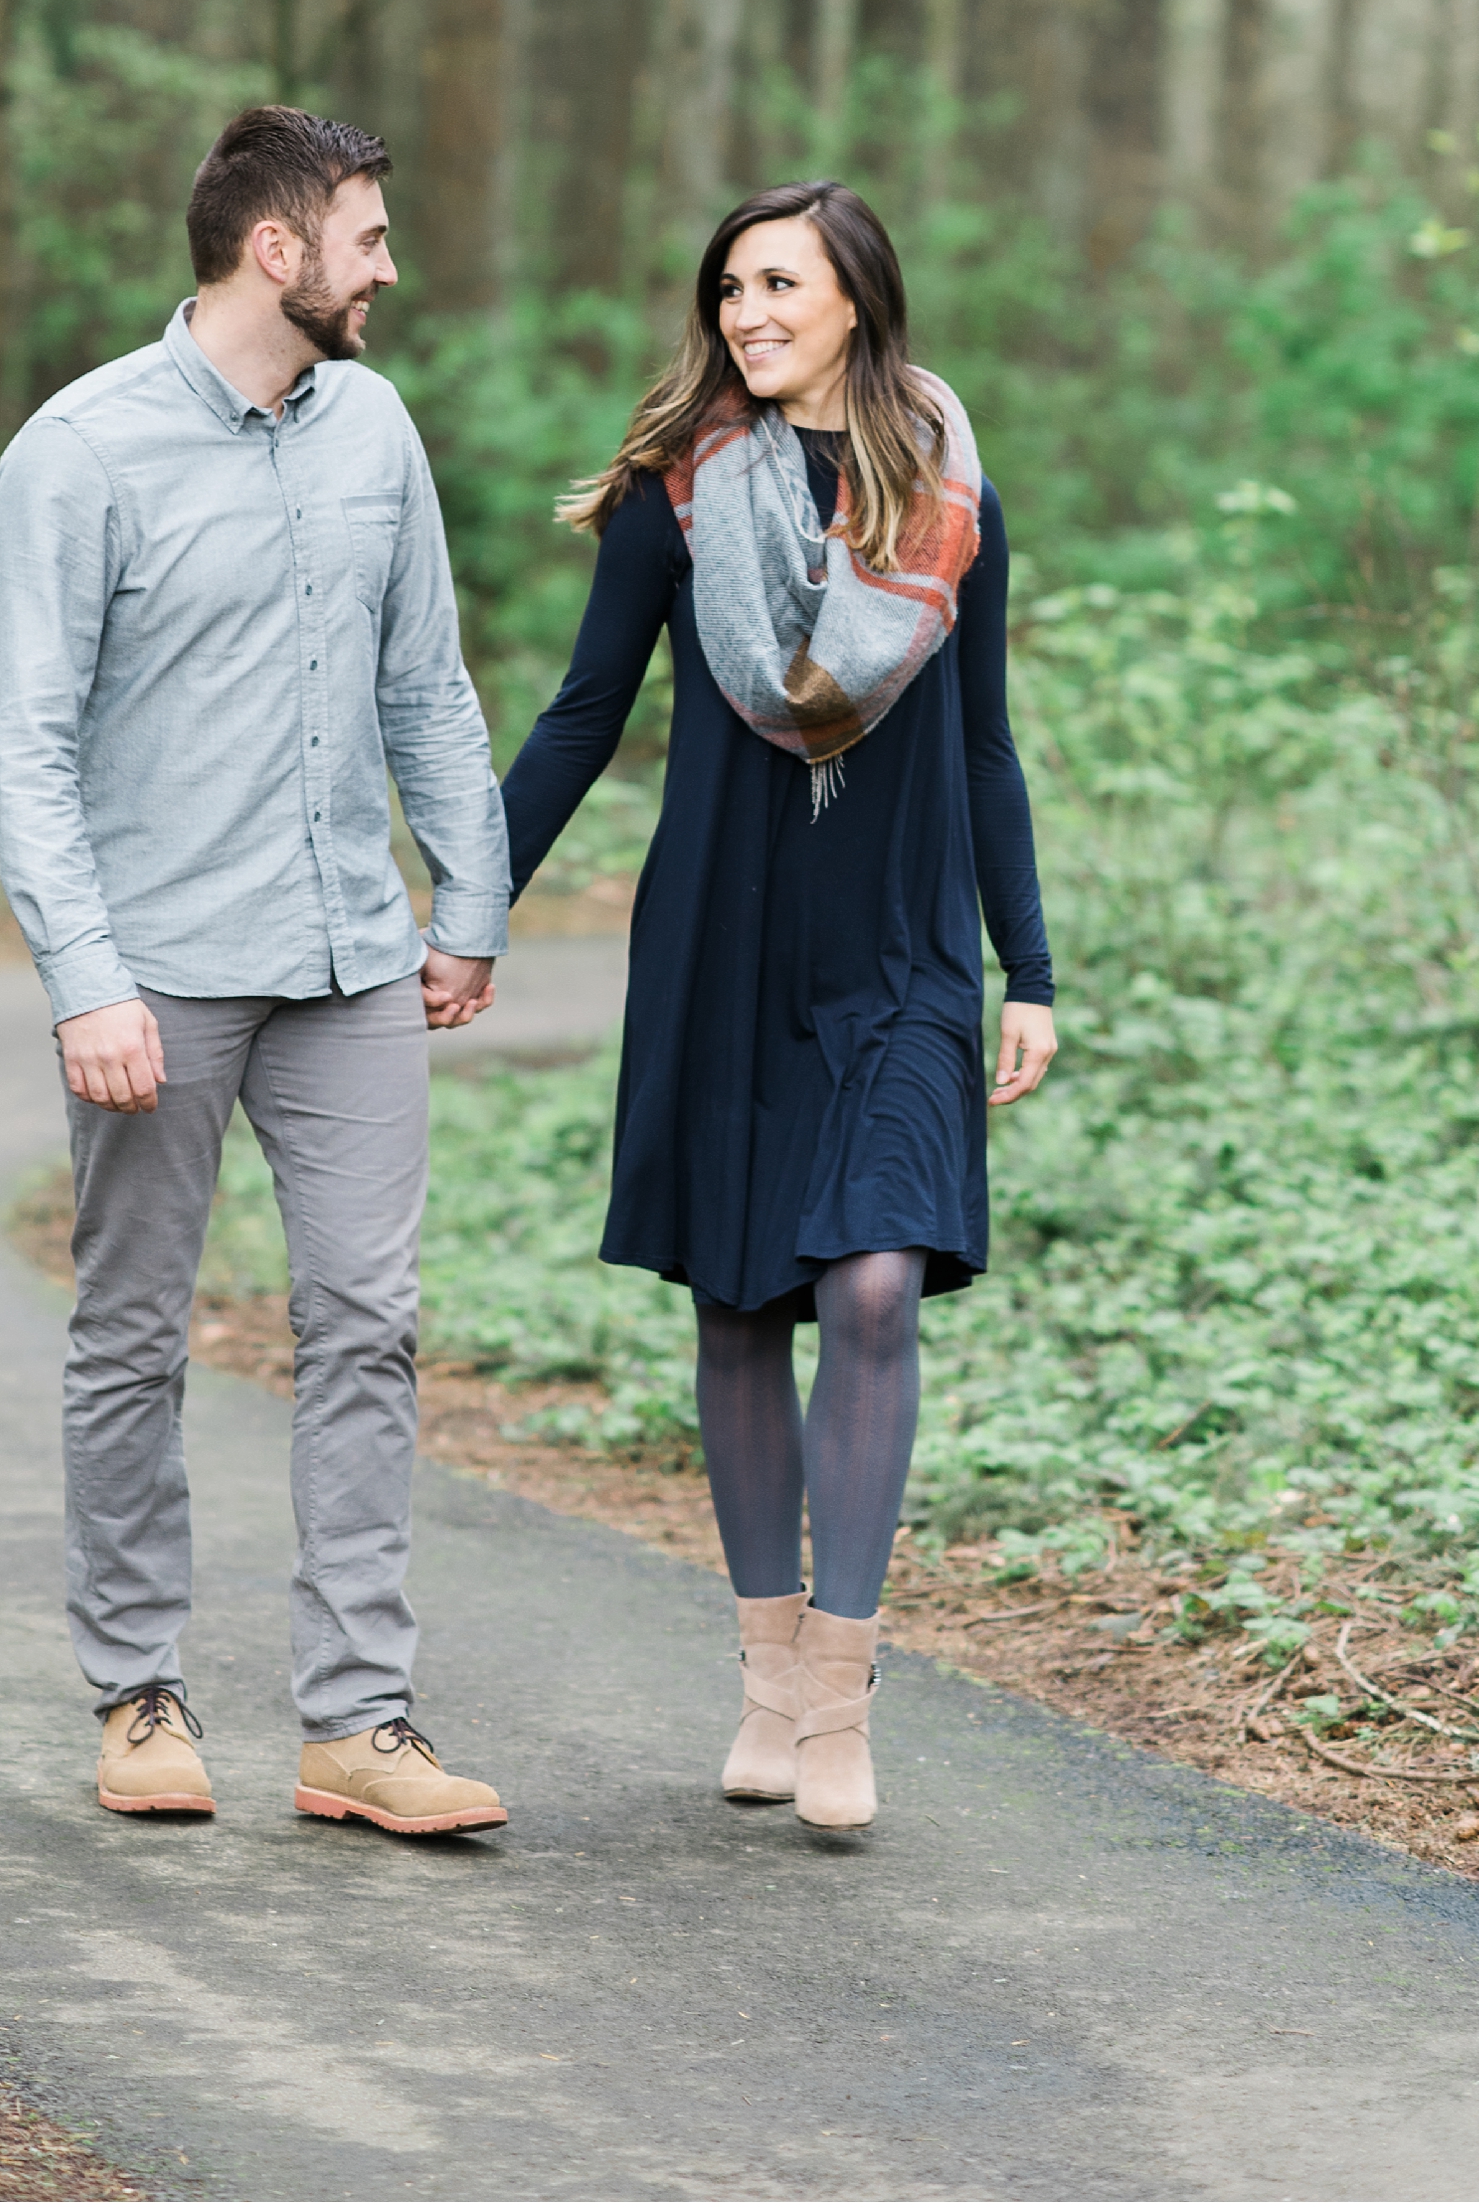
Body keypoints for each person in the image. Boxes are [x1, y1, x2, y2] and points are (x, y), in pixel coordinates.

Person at [0, 105, 514, 1837]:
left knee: (370, 1316)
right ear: (275, 250)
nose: (388, 266)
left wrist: (470, 901)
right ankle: (138, 1690)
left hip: (350, 958)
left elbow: (426, 685)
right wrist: (85, 974)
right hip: (159, 974)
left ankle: (356, 1722)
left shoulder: (374, 429)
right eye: (366, 235)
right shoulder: (81, 450)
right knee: (133, 1329)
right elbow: (30, 746)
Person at [500, 182, 1057, 1833]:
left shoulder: (949, 492)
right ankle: (762, 1674)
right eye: (731, 287)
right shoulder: (680, 497)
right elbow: (583, 714)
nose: (747, 312)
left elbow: (983, 742)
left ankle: (842, 1686)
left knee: (875, 1286)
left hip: (896, 957)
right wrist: (465, 909)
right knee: (741, 1304)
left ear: (859, 301)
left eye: (781, 284)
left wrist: (1028, 968)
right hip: (723, 941)